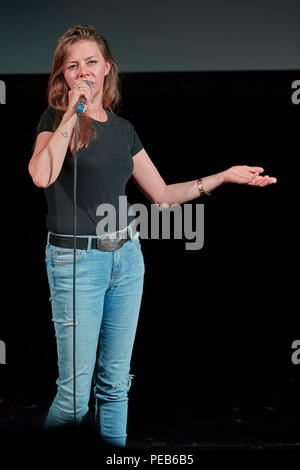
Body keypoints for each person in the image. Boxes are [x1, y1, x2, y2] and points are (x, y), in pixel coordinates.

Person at [28, 24, 277, 448]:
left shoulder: (124, 130)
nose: (83, 71)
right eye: (72, 66)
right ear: (64, 77)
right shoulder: (56, 120)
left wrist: (221, 177)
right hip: (76, 264)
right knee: (73, 401)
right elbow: (41, 175)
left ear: (107, 68)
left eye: (91, 62)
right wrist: (73, 112)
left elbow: (161, 194)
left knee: (115, 387)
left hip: (126, 260)